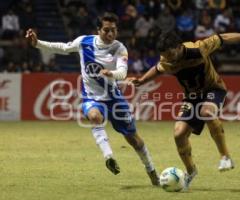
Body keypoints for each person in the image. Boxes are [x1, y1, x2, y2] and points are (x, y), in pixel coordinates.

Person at [25, 12, 159, 185]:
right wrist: (37, 43)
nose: (110, 34)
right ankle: (109, 156)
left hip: (114, 98)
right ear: (98, 30)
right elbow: (63, 47)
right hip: (91, 96)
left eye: (113, 30)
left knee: (134, 139)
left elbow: (123, 72)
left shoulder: (120, 48)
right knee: (95, 117)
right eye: (106, 30)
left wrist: (112, 74)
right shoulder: (84, 42)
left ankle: (151, 170)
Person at [128, 26, 240, 189]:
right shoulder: (167, 60)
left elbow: (221, 38)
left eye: (170, 54)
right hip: (192, 97)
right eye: (165, 56)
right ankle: (191, 171)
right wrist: (142, 80)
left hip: (213, 89)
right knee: (179, 134)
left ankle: (225, 156)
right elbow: (158, 69)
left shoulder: (198, 49)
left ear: (179, 46)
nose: (169, 59)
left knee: (207, 112)